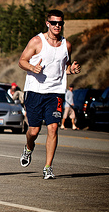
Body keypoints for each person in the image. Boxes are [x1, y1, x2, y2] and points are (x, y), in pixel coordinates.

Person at [18, 9, 81, 179]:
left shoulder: (66, 45)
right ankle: (28, 148)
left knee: (53, 128)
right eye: (54, 23)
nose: (57, 26)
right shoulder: (37, 41)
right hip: (35, 91)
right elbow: (22, 61)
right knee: (34, 130)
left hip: (56, 93)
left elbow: (63, 68)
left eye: (60, 23)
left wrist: (71, 70)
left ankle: (48, 167)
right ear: (48, 23)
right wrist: (32, 67)